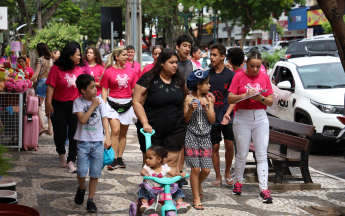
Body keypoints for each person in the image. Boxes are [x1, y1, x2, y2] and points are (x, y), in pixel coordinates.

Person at [227, 50, 274, 203]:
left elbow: (270, 101)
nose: (254, 70)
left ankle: (264, 189)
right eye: (252, 66)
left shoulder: (265, 77)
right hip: (242, 117)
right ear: (246, 63)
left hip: (260, 117)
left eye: (258, 66)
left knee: (261, 154)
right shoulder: (238, 76)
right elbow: (230, 98)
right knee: (242, 153)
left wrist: (259, 97)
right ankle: (238, 182)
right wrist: (246, 95)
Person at [133, 49, 187, 178]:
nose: (175, 65)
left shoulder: (179, 80)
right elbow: (136, 102)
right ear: (162, 63)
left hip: (176, 127)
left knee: (171, 161)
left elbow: (187, 97)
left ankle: (168, 193)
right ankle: (151, 192)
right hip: (151, 129)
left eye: (176, 62)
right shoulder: (148, 78)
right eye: (171, 62)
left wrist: (203, 96)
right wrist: (145, 123)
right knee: (152, 163)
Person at [73, 74, 111, 213]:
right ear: (83, 90)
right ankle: (81, 188)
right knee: (82, 171)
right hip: (83, 142)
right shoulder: (78, 102)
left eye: (96, 86)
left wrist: (108, 137)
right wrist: (93, 105)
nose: (96, 89)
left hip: (97, 143)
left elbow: (105, 119)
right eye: (92, 87)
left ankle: (90, 200)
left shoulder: (100, 101)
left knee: (95, 173)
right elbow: (82, 120)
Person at [45, 41, 85, 173]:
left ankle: (71, 160)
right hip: (58, 105)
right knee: (60, 133)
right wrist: (48, 105)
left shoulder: (79, 69)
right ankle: (61, 153)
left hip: (75, 106)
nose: (80, 57)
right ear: (69, 55)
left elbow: (83, 90)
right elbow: (50, 88)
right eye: (78, 55)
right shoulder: (55, 69)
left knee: (74, 135)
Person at [100, 46, 138, 170]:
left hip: (127, 104)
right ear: (117, 57)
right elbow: (105, 88)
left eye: (127, 55)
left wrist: (137, 102)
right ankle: (113, 159)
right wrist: (103, 104)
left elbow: (133, 89)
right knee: (115, 131)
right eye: (124, 55)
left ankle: (120, 158)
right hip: (112, 104)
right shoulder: (108, 71)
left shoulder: (131, 70)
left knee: (123, 133)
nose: (127, 57)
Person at [183, 69, 215, 210]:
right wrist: (190, 109)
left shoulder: (209, 98)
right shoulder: (188, 99)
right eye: (206, 83)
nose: (209, 86)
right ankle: (196, 198)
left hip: (206, 137)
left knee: (206, 170)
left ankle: (198, 185)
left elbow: (212, 120)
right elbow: (185, 119)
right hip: (191, 136)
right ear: (198, 85)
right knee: (195, 168)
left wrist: (207, 107)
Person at [208, 43, 236, 187]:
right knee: (215, 147)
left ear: (223, 57)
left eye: (214, 55)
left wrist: (228, 113)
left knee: (230, 145)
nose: (211, 57)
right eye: (211, 55)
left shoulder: (232, 75)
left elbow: (234, 97)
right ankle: (218, 175)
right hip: (212, 116)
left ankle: (227, 173)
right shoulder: (207, 75)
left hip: (228, 115)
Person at [139, 146, 191, 214]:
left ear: (159, 159)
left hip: (164, 191)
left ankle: (179, 204)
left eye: (150, 158)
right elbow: (143, 171)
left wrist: (180, 174)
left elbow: (173, 173)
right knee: (142, 190)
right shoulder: (147, 167)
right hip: (152, 192)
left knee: (178, 190)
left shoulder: (164, 167)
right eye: (146, 158)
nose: (147, 160)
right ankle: (145, 205)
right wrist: (144, 173)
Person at [31, 43, 53, 136]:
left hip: (41, 83)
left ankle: (44, 126)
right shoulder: (50, 60)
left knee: (38, 106)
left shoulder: (39, 60)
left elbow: (36, 74)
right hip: (50, 83)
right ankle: (50, 129)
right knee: (49, 107)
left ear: (38, 50)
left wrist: (27, 79)